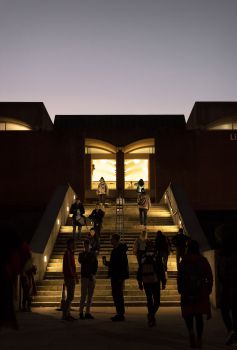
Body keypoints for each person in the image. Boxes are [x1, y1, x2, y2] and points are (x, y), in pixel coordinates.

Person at [177, 240, 213, 349]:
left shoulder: (184, 261)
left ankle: (191, 332)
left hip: (187, 292)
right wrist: (208, 289)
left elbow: (180, 277)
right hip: (200, 291)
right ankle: (199, 338)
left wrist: (181, 289)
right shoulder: (202, 260)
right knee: (198, 316)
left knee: (188, 314)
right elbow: (209, 276)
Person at [0, 224, 31, 331]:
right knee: (6, 294)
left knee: (7, 295)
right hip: (8, 271)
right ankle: (8, 320)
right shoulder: (18, 245)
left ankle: (8, 320)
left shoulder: (12, 244)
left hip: (8, 271)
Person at [137, 240, 166, 327]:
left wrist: (139, 282)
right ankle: (151, 315)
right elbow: (161, 269)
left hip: (146, 281)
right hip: (155, 281)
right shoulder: (157, 256)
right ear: (153, 246)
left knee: (149, 299)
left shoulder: (143, 256)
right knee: (157, 301)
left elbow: (140, 270)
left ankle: (151, 317)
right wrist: (163, 281)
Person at [103, 233, 129, 321]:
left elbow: (123, 264)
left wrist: (121, 277)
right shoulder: (115, 250)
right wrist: (107, 263)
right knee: (116, 295)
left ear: (116, 240)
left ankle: (120, 314)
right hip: (115, 276)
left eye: (112, 239)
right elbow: (115, 264)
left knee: (118, 295)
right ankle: (119, 313)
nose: (110, 241)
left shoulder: (120, 250)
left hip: (118, 276)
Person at [218, 238, 237, 346]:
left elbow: (221, 274)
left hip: (227, 288)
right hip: (234, 288)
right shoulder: (234, 257)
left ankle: (231, 331)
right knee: (235, 312)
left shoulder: (221, 258)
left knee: (225, 310)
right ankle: (233, 332)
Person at [78, 239, 98, 320]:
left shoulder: (93, 254)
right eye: (85, 245)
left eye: (87, 245)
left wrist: (93, 274)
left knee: (90, 295)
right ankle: (80, 312)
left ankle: (87, 312)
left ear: (89, 245)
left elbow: (95, 264)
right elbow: (81, 261)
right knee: (83, 295)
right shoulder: (81, 254)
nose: (86, 246)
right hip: (84, 276)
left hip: (91, 276)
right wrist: (86, 255)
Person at [62, 238, 78, 321]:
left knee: (70, 296)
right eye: (73, 244)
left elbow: (73, 266)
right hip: (69, 277)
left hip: (70, 276)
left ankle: (67, 314)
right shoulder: (68, 253)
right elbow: (69, 266)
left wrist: (76, 276)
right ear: (69, 244)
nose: (74, 245)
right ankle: (65, 315)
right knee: (70, 296)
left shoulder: (70, 253)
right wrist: (73, 276)